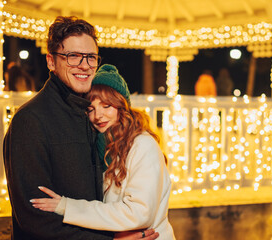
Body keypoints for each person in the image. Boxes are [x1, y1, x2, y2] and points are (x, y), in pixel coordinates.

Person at [3, 16, 158, 240]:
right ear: (51, 61)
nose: (84, 65)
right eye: (73, 56)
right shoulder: (30, 120)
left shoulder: (92, 116)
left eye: (91, 57)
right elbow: (34, 219)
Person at [30, 64, 176, 239]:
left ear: (122, 106)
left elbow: (138, 213)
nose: (97, 115)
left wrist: (67, 206)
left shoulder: (142, 145)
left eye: (106, 106)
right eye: (91, 109)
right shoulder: (104, 146)